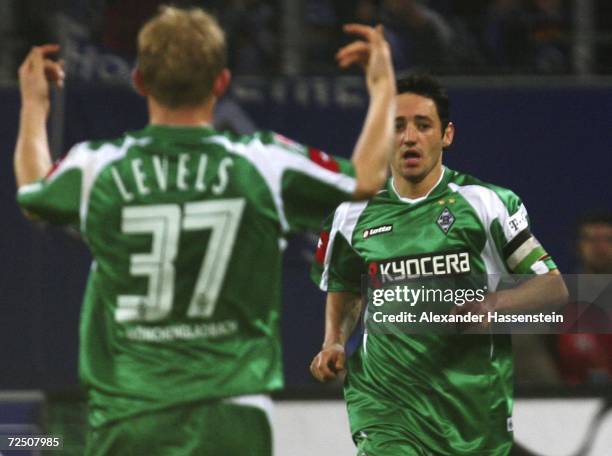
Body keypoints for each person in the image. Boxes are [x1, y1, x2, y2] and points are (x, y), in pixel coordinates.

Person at [14, 6, 396, 455]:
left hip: (128, 413)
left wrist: (34, 105)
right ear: (221, 82)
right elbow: (367, 178)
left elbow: (35, 193)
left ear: (139, 81)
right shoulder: (263, 163)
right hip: (232, 412)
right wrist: (383, 86)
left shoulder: (98, 168)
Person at [310, 74, 568, 455]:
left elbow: (554, 288)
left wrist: (495, 304)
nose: (409, 137)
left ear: (446, 135)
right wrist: (333, 341)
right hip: (384, 405)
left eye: (423, 125)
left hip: (471, 409)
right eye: (397, 126)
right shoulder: (350, 216)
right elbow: (345, 285)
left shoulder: (486, 204)